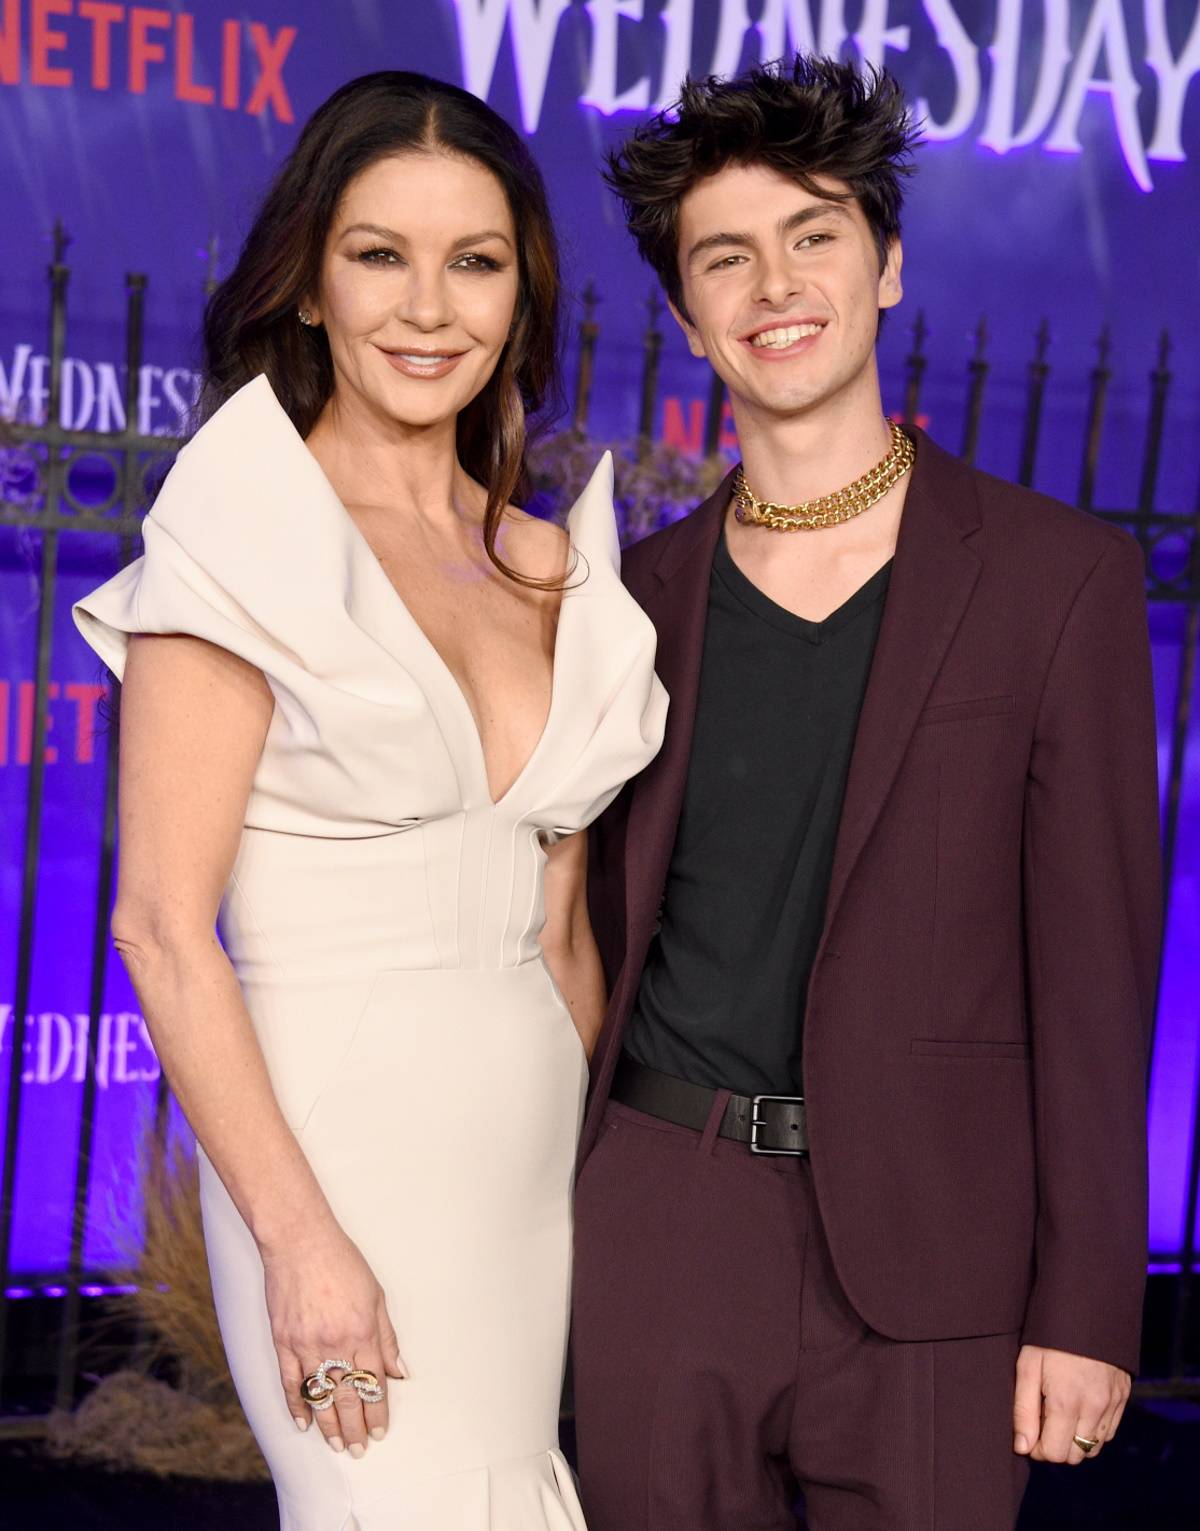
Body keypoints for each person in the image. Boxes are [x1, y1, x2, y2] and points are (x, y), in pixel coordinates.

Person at [572, 56, 1161, 1531]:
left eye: (815, 233)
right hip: (666, 1221)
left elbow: (1099, 977)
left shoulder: (1056, 581)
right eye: (727, 255)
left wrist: (1090, 1299)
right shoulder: (627, 604)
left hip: (940, 1253)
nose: (777, 281)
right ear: (687, 312)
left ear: (887, 265)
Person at [74, 70, 665, 1530]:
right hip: (335, 1147)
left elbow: (565, 929)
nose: (428, 307)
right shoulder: (244, 535)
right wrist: (298, 1239)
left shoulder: (545, 565)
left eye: (474, 262)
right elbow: (160, 924)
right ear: (310, 284)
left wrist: (604, 1177)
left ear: (520, 298)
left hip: (524, 1151)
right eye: (378, 255)